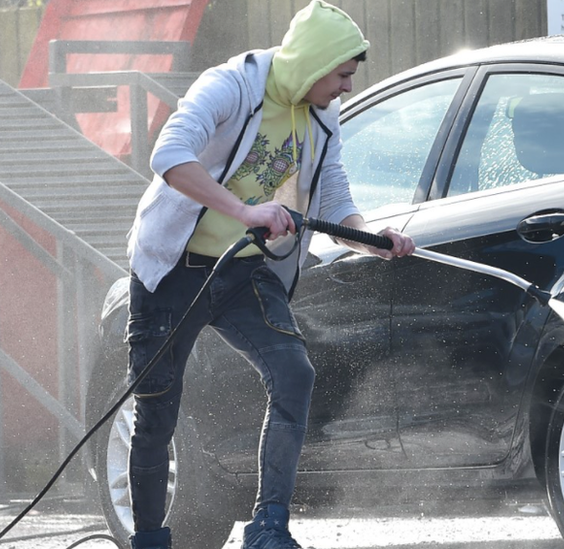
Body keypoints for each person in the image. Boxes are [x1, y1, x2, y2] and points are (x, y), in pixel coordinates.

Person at [123, 2, 415, 548]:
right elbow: (168, 154)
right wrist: (246, 211)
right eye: (343, 75)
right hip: (172, 270)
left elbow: (334, 200)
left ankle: (268, 528)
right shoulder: (231, 86)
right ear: (312, 66)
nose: (348, 88)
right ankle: (149, 541)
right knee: (158, 405)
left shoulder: (322, 116)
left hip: (243, 269)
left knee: (294, 372)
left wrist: (373, 239)